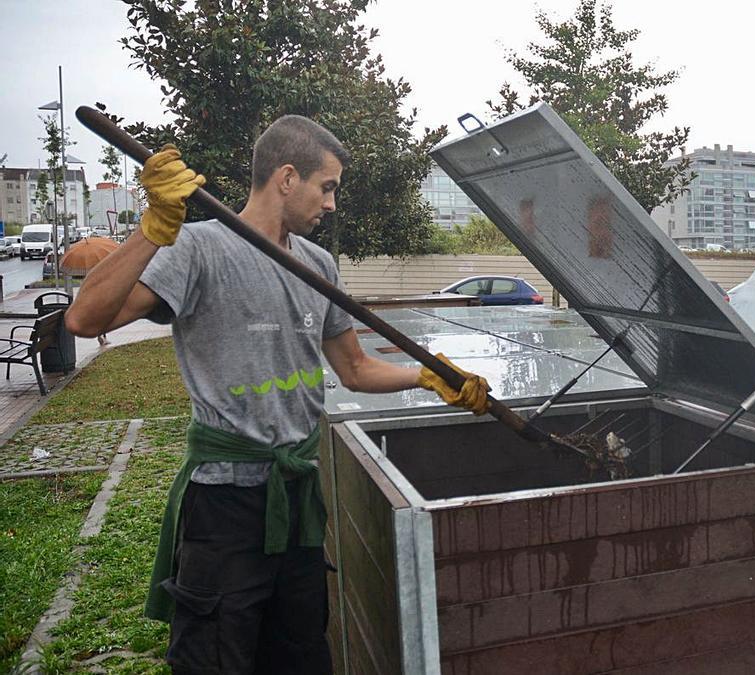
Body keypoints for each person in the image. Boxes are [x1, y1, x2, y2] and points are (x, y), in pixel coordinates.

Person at [64, 116, 489, 674]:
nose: (332, 204)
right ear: (288, 177)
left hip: (297, 501)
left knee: (300, 656)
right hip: (224, 504)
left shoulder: (318, 266)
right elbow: (83, 317)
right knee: (217, 659)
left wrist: (432, 378)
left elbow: (356, 368)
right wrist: (155, 225)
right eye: (327, 186)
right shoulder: (196, 248)